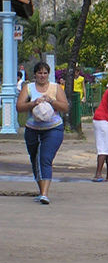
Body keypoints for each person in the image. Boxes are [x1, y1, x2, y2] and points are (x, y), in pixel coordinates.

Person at [16, 61, 70, 205]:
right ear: (35, 74)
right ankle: (41, 191)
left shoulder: (55, 88)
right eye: (39, 73)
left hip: (53, 129)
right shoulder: (28, 88)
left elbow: (65, 107)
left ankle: (45, 194)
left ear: (48, 74)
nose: (42, 76)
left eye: (45, 73)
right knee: (35, 159)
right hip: (33, 129)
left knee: (45, 158)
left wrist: (51, 101)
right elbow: (19, 107)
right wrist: (33, 103)